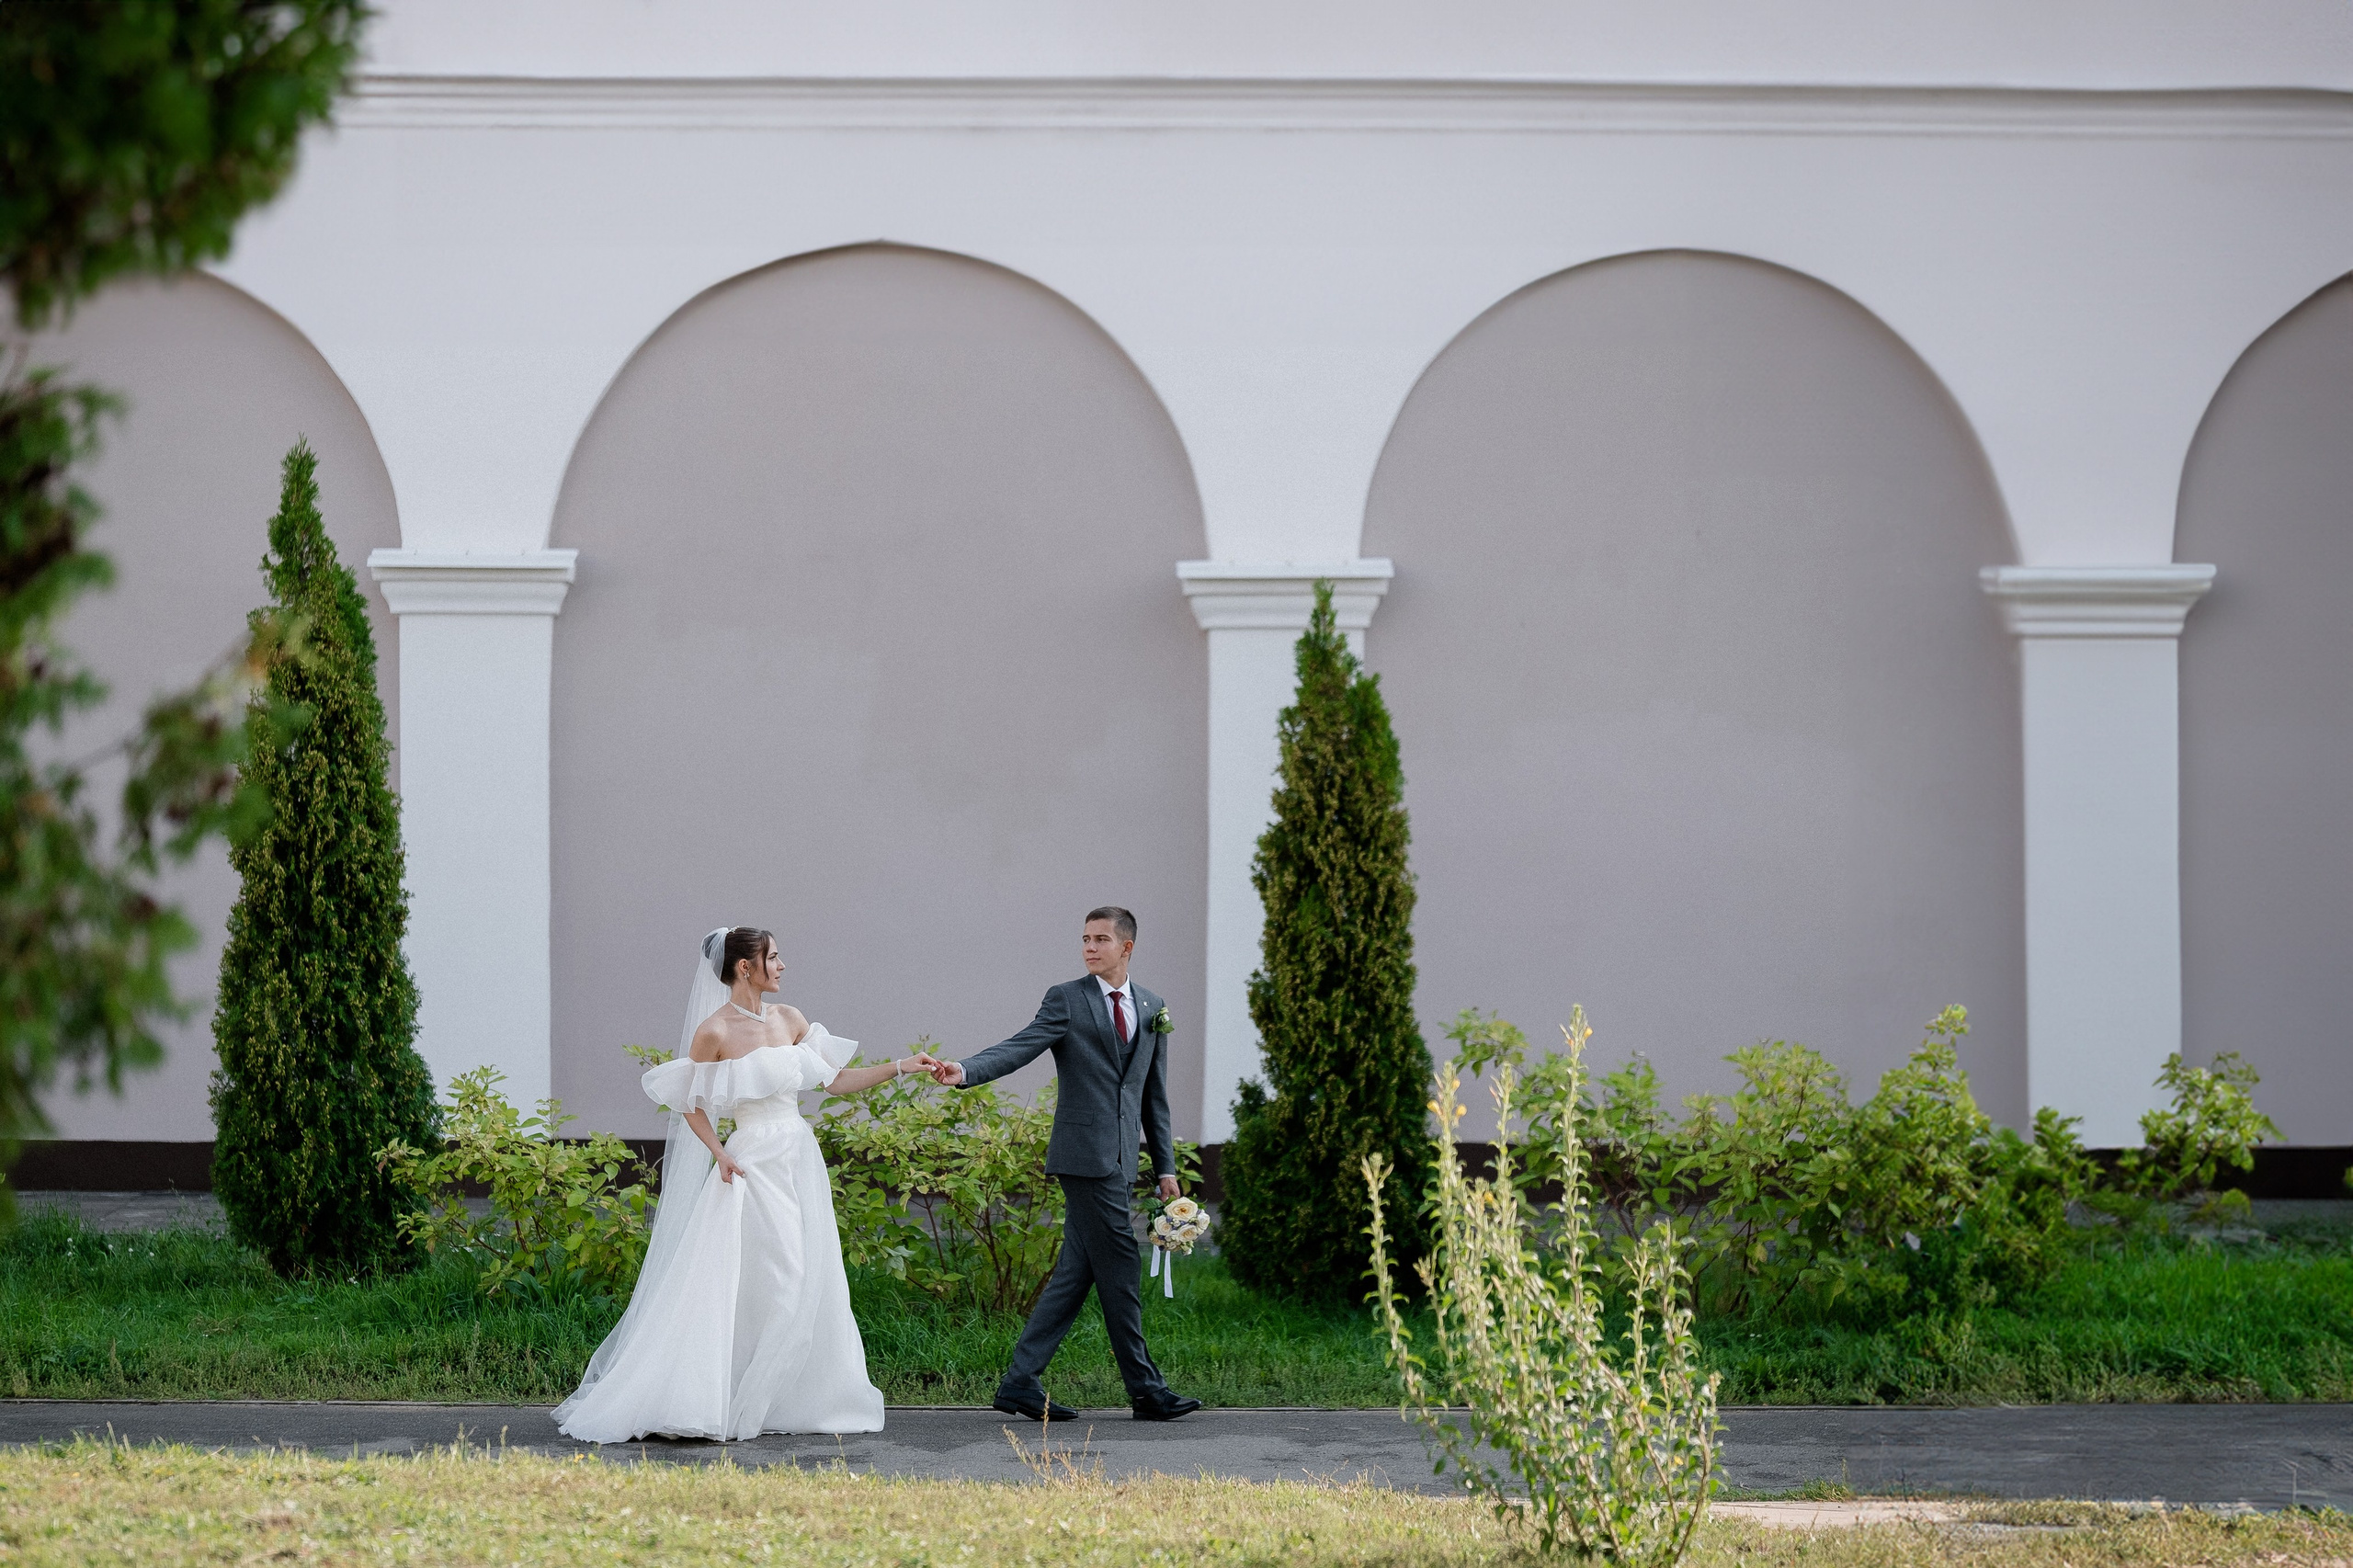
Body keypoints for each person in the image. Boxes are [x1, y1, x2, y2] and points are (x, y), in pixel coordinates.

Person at [554, 926, 939, 1442]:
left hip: (798, 1158)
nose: (782, 966)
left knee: (800, 1277)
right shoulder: (714, 1032)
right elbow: (688, 1103)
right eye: (774, 957)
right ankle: (730, 1402)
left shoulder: (792, 1019)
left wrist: (900, 1067)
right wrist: (719, 1152)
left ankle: (777, 1398)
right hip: (752, 1163)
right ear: (745, 967)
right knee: (779, 1277)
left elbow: (834, 1080)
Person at [930, 906, 1201, 1422]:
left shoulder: (1152, 1006)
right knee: (1121, 1265)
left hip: (1122, 1162)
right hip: (1083, 1158)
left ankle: (1019, 1383)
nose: (1089, 948)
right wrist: (963, 1070)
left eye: (1101, 939)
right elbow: (1021, 1046)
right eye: (1084, 939)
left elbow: (1153, 1098)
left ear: (1127, 947)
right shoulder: (1067, 999)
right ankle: (1146, 1389)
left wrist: (1165, 1167)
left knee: (1076, 1275)